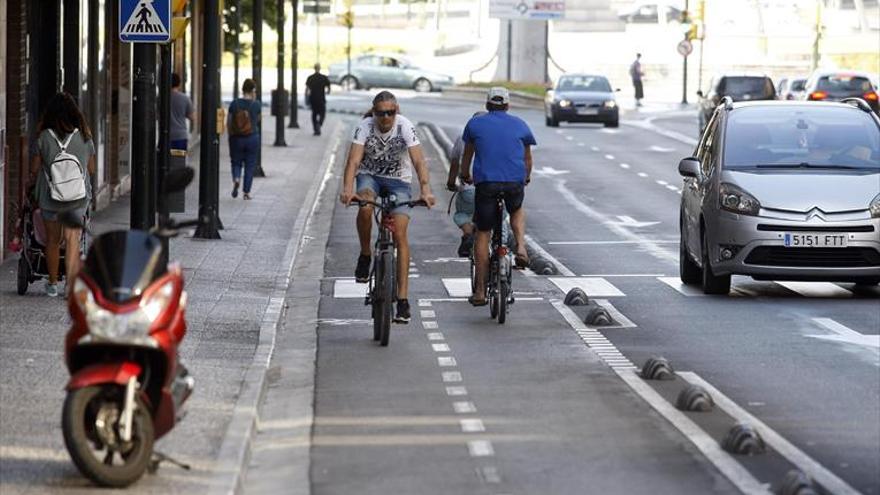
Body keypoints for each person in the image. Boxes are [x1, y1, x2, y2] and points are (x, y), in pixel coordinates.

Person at [339, 91, 437, 324]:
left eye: (391, 113)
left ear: (397, 111)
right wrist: (347, 188)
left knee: (401, 235)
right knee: (364, 206)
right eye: (381, 113)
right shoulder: (364, 126)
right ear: (374, 113)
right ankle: (365, 254)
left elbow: (419, 161)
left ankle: (402, 300)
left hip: (398, 181)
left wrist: (425, 190)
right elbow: (353, 161)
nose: (386, 118)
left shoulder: (405, 127)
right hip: (369, 176)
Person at [460, 87, 535, 307]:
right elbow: (527, 158)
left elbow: (467, 155)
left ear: (487, 105)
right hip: (514, 182)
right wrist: (526, 178)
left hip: (487, 184)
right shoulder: (521, 124)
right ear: (508, 105)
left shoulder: (475, 124)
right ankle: (520, 246)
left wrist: (464, 175)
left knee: (483, 233)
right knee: (517, 208)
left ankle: (480, 291)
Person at [29, 92, 96, 297]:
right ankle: (70, 286)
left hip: (50, 198)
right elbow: (91, 169)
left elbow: (33, 169)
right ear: (75, 113)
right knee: (72, 239)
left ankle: (52, 284)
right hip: (78, 198)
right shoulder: (84, 136)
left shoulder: (44, 137)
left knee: (52, 241)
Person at [227, 78, 261, 200]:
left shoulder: (234, 103)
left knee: (236, 162)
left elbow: (229, 122)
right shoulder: (256, 104)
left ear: (242, 89)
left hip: (236, 138)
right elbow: (258, 120)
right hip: (252, 138)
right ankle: (246, 192)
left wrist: (231, 135)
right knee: (250, 165)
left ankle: (236, 178)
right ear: (253, 90)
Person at [170, 73, 194, 151]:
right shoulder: (185, 98)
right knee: (179, 161)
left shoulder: (162, 98)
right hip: (181, 136)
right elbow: (192, 117)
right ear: (179, 84)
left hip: (166, 135)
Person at [305, 63, 331, 136]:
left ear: (314, 68)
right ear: (319, 68)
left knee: (314, 114)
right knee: (322, 113)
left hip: (313, 99)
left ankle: (316, 128)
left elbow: (307, 89)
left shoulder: (310, 77)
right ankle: (319, 124)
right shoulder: (323, 77)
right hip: (321, 99)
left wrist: (306, 99)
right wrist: (328, 91)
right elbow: (328, 86)